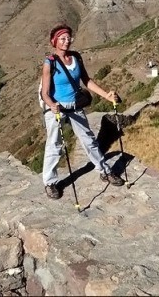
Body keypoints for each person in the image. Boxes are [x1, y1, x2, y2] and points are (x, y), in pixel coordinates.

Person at [40, 23, 124, 199]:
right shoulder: (50, 63)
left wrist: (106, 96)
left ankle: (104, 171)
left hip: (75, 106)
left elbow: (86, 80)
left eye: (68, 37)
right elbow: (45, 93)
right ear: (54, 41)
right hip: (58, 108)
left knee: (89, 140)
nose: (66, 41)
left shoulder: (76, 58)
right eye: (62, 38)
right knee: (54, 145)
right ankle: (50, 183)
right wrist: (52, 104)